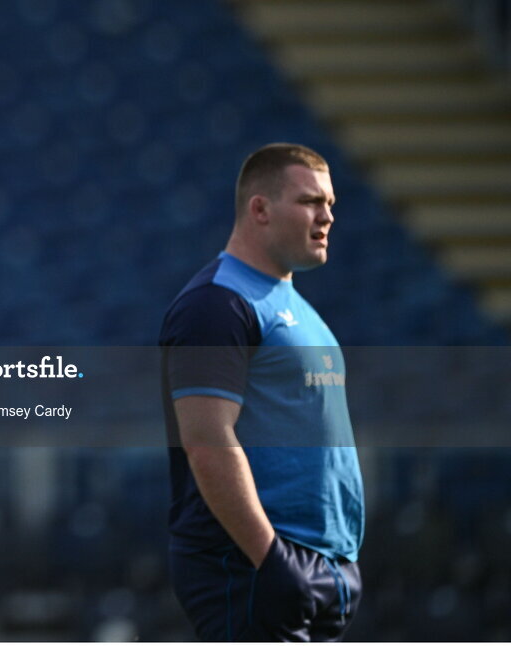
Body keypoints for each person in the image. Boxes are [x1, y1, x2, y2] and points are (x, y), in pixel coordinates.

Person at [159, 143, 364, 641]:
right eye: (311, 201)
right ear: (260, 209)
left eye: (331, 204)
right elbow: (207, 439)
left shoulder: (296, 308)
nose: (327, 216)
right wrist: (271, 557)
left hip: (318, 569)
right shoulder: (217, 304)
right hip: (251, 567)